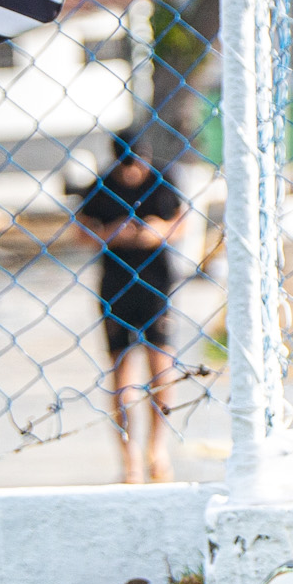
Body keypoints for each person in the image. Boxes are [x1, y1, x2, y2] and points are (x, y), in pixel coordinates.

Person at [76, 133, 187, 484]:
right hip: (116, 285)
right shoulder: (100, 186)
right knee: (122, 375)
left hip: (156, 282)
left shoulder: (163, 180)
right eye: (125, 165)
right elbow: (81, 229)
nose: (132, 173)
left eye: (137, 164)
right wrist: (112, 234)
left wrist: (160, 231)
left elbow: (182, 221)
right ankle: (130, 458)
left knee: (161, 369)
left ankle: (158, 448)